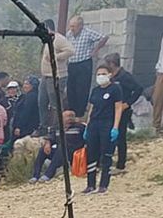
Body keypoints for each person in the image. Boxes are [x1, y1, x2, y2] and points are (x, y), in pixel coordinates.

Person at [82, 65, 125, 194]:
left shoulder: (115, 89)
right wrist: (87, 126)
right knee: (91, 154)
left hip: (107, 123)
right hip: (94, 123)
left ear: (110, 75)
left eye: (103, 73)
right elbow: (91, 109)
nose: (101, 76)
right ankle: (90, 184)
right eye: (98, 74)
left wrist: (115, 127)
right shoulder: (95, 91)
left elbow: (118, 108)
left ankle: (104, 185)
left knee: (106, 154)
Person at [102, 53, 143, 171]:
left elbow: (138, 89)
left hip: (123, 111)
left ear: (112, 64)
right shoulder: (111, 77)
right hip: (110, 110)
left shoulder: (125, 77)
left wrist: (127, 103)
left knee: (120, 138)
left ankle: (121, 164)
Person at [64, 15, 109, 114]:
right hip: (72, 64)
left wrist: (95, 50)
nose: (72, 29)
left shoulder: (88, 33)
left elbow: (104, 37)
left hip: (83, 63)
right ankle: (72, 111)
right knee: (71, 89)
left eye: (74, 26)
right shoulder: (69, 34)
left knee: (82, 89)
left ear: (80, 26)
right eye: (71, 26)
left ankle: (80, 112)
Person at [38, 19, 76, 135]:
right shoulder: (46, 40)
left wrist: (56, 57)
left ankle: (55, 127)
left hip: (57, 75)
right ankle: (44, 126)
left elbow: (71, 50)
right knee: (42, 101)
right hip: (45, 75)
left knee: (55, 103)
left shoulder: (59, 39)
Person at [30, 110, 84, 183]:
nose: (70, 118)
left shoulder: (79, 127)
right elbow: (51, 138)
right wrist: (48, 143)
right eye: (67, 116)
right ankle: (35, 176)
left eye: (71, 116)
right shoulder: (57, 128)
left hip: (73, 153)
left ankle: (48, 174)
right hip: (59, 153)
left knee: (61, 148)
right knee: (42, 150)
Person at [12, 76, 41, 141]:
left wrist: (19, 127)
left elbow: (26, 112)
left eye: (27, 84)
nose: (24, 86)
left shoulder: (31, 96)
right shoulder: (27, 96)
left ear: (33, 85)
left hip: (26, 128)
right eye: (24, 84)